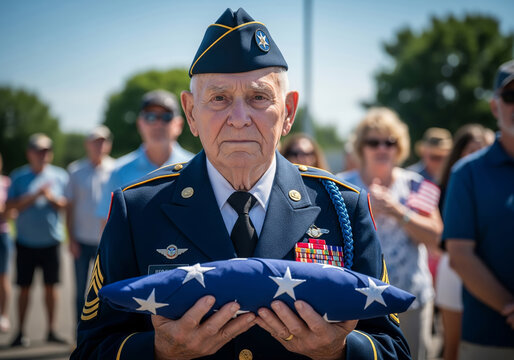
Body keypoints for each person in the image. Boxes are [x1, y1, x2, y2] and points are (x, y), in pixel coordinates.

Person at [72, 8, 411, 360]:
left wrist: (340, 351)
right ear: (190, 113)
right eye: (218, 98)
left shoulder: (342, 206)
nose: (238, 119)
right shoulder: (138, 210)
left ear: (289, 112)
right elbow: (91, 349)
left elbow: (394, 348)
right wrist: (157, 352)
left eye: (258, 98)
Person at [337, 108, 443, 360]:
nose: (382, 148)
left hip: (410, 299)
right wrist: (362, 211)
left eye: (390, 142)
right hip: (357, 300)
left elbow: (437, 239)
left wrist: (399, 211)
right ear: (362, 148)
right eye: (374, 142)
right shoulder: (342, 185)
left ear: (400, 147)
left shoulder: (415, 184)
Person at [444, 60, 514, 359]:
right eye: (511, 96)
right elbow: (461, 255)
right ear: (495, 107)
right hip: (489, 340)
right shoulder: (467, 173)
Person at [6, 134, 69, 346]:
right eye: (37, 150)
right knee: (23, 288)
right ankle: (20, 332)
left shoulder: (59, 176)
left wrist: (50, 198)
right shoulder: (19, 176)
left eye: (45, 150)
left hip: (51, 241)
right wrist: (33, 196)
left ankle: (51, 330)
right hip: (25, 242)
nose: (42, 154)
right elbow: (10, 207)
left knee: (51, 288)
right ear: (29, 153)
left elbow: (65, 206)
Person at [96, 89, 194, 223]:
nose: (158, 123)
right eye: (150, 116)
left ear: (179, 124)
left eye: (166, 116)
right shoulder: (118, 172)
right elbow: (107, 228)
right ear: (140, 123)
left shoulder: (197, 167)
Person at [434, 124, 489, 360]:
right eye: (471, 150)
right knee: (453, 346)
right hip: (455, 269)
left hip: (492, 269)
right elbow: (442, 239)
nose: (478, 156)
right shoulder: (449, 186)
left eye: (484, 149)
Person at [66, 125, 115, 323]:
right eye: (95, 141)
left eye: (103, 141)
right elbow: (69, 207)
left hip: (106, 241)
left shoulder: (116, 169)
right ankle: (78, 334)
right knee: (80, 291)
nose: (99, 145)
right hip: (81, 239)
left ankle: (101, 332)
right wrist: (71, 239)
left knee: (106, 289)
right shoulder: (75, 171)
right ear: (87, 144)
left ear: (109, 145)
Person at [0, 153, 13, 333]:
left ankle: (3, 315)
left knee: (3, 277)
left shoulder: (6, 182)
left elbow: (10, 211)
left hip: (2, 234)